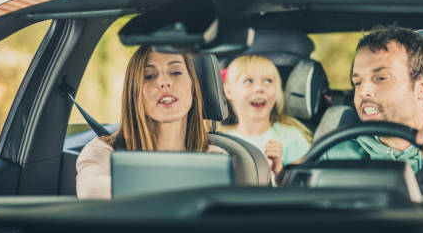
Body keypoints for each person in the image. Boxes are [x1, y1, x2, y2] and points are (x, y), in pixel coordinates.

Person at [321, 25, 423, 187]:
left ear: (422, 87)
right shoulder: (335, 156)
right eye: (358, 82)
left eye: (381, 78)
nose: (363, 91)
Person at [76, 46, 223, 200]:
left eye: (176, 72)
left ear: (193, 86)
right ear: (134, 92)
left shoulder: (215, 156)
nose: (164, 82)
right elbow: (91, 192)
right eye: (149, 75)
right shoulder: (103, 152)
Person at [222, 55, 311, 182]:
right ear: (229, 91)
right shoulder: (221, 142)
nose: (259, 89)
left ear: (278, 91)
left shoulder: (292, 137)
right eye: (249, 81)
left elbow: (302, 188)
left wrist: (279, 172)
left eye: (268, 81)